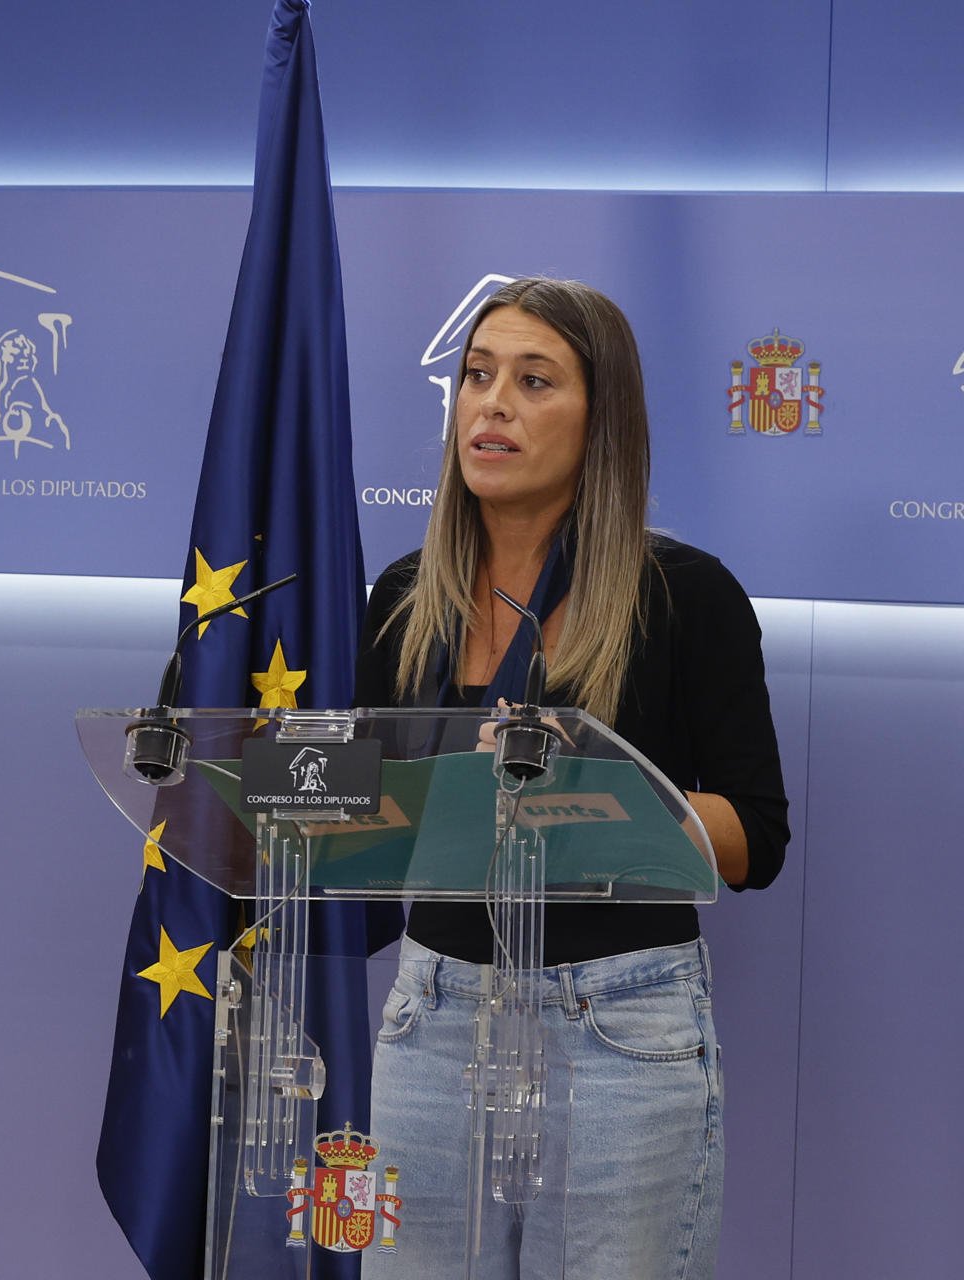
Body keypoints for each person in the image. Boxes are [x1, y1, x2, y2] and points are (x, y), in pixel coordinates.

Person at [354, 278, 788, 1279]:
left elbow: (755, 836)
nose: (490, 403)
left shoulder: (688, 597)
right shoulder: (403, 598)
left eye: (533, 379)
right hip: (434, 1017)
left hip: (620, 1026)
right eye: (476, 375)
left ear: (602, 424)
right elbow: (372, 821)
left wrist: (596, 802)